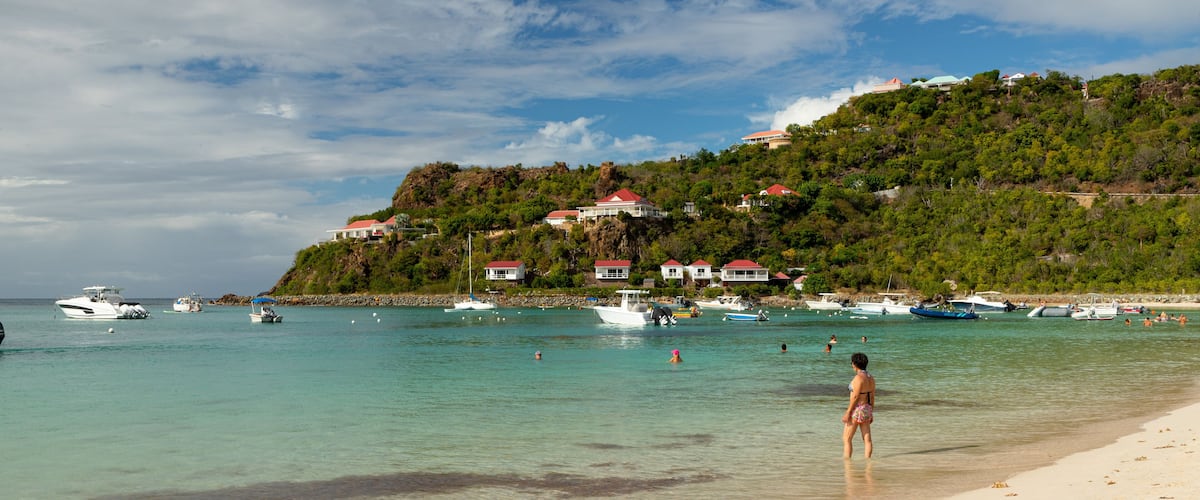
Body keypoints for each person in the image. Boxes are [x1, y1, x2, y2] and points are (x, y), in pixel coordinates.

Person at [843, 352, 875, 459]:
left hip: (857, 409)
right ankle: (868, 463)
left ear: (854, 364)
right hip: (867, 408)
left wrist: (848, 412)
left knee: (847, 438)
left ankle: (847, 464)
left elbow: (855, 397)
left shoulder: (858, 378)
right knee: (867, 439)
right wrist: (871, 412)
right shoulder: (871, 378)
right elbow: (872, 397)